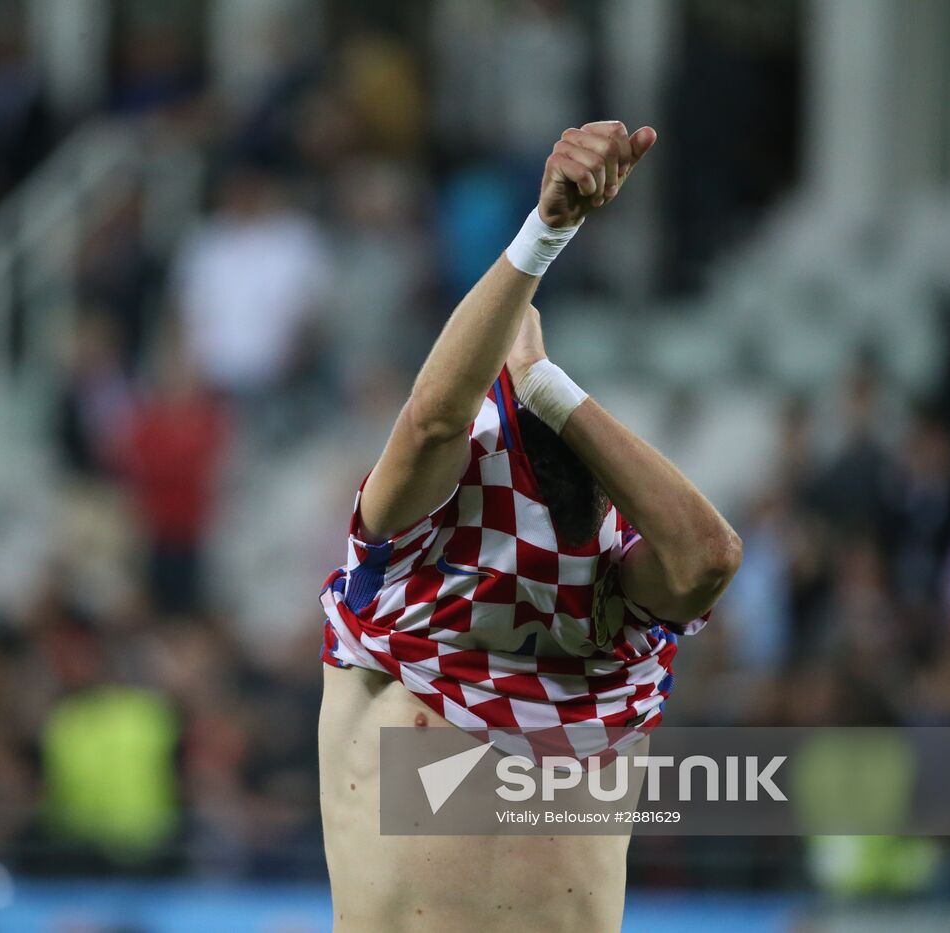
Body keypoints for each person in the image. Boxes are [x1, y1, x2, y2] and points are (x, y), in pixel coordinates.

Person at [317, 121, 742, 932]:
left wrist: (543, 386)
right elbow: (435, 418)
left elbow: (710, 557)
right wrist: (545, 232)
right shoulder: (397, 581)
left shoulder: (612, 615)